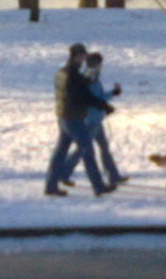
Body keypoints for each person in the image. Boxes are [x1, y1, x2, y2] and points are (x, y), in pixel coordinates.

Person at [44, 43, 117, 197]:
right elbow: (83, 97)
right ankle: (99, 187)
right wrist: (103, 105)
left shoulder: (62, 72)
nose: (84, 59)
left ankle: (50, 186)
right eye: (82, 56)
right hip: (74, 119)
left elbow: (81, 90)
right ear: (77, 56)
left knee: (60, 153)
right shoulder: (73, 75)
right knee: (87, 152)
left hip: (63, 117)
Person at [60, 52, 129, 187]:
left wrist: (112, 94)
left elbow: (100, 96)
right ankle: (63, 173)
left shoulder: (94, 77)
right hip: (90, 120)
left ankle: (113, 175)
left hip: (97, 119)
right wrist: (104, 106)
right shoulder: (88, 78)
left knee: (104, 148)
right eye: (99, 63)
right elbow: (90, 100)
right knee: (83, 149)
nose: (100, 66)